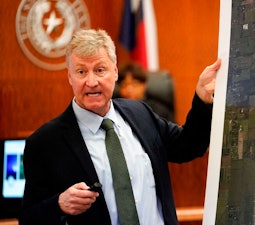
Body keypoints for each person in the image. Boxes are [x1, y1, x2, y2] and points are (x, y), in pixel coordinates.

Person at [19, 29, 221, 225]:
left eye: (100, 70)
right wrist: (59, 205)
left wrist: (202, 100)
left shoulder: (140, 113)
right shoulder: (44, 143)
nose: (91, 81)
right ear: (70, 77)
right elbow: (28, 218)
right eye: (81, 71)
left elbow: (188, 146)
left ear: (115, 72)